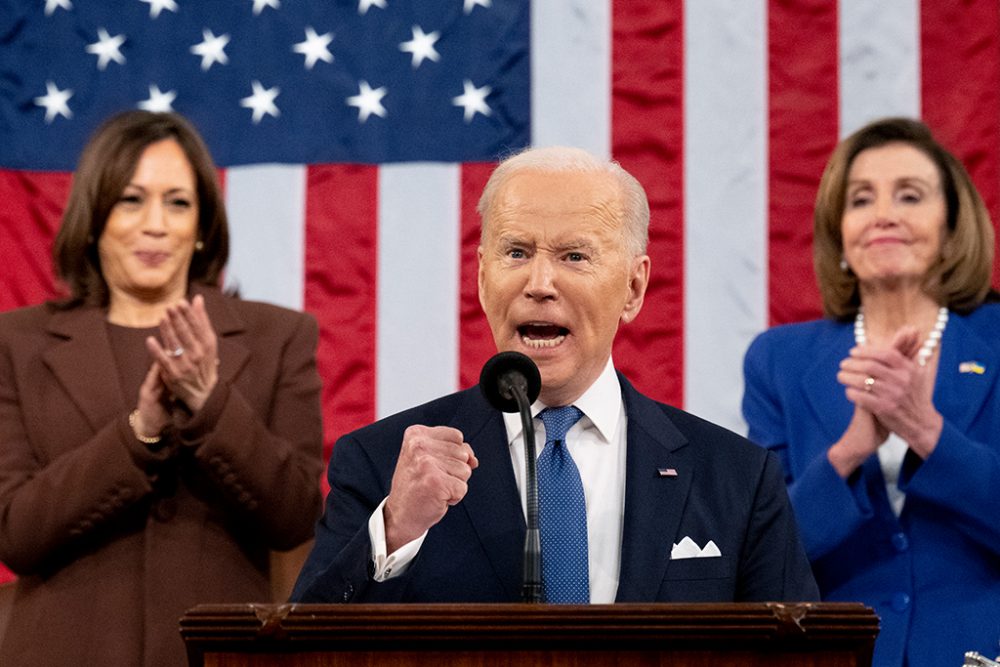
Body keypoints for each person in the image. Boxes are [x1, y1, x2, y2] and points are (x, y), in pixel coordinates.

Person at [292, 146, 818, 605]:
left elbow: (799, 656)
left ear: (633, 289)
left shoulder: (736, 479)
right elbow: (301, 651)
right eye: (516, 252)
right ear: (481, 278)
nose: (539, 282)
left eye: (574, 256)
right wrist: (397, 527)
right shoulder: (382, 464)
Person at [0, 110, 325, 666]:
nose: (156, 223)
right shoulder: (18, 342)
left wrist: (210, 405)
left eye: (178, 202)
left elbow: (295, 516)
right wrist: (138, 433)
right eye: (131, 200)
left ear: (201, 225)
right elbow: (16, 533)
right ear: (95, 216)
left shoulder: (278, 336)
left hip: (222, 656)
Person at [742, 117, 1000, 667]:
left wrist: (926, 432)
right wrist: (849, 450)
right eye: (861, 200)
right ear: (840, 234)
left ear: (953, 229)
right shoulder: (778, 361)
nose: (883, 214)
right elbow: (762, 559)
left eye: (909, 195)